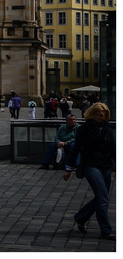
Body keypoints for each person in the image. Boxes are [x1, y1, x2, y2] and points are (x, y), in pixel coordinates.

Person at [65, 103, 115, 241]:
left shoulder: (107, 128)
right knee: (103, 197)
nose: (102, 115)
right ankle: (106, 231)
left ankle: (80, 218)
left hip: (105, 166)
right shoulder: (84, 129)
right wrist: (68, 169)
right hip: (90, 166)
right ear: (92, 113)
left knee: (101, 197)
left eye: (104, 113)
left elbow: (113, 148)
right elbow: (76, 149)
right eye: (99, 112)